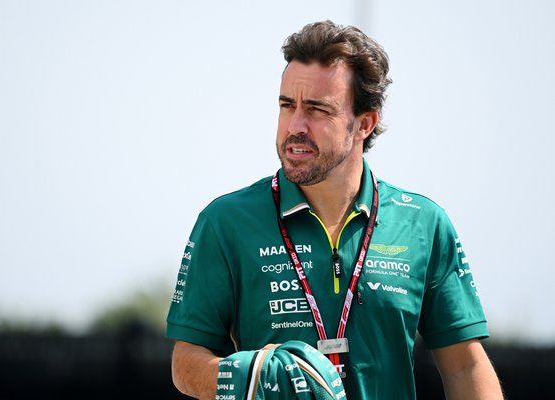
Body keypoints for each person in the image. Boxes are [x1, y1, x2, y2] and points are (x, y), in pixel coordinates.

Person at [166, 20, 503, 399]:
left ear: (364, 124)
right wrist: (250, 379)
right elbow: (185, 363)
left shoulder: (423, 223)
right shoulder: (225, 222)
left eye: (317, 109)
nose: (295, 125)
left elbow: (466, 366)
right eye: (287, 105)